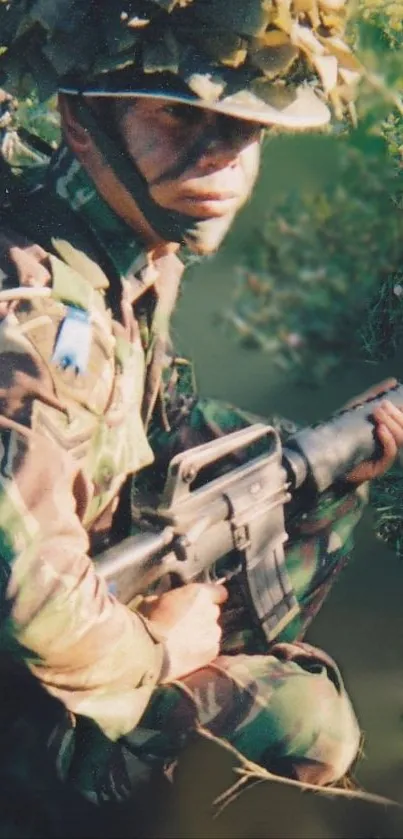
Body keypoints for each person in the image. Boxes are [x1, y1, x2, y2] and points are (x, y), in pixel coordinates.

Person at [0, 0, 402, 824]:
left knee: (298, 477)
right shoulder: (37, 327)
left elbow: (146, 418)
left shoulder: (117, 236)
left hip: (80, 578)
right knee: (313, 720)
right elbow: (30, 600)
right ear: (81, 123)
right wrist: (161, 648)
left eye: (244, 128)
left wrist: (325, 459)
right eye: (179, 116)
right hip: (23, 698)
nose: (220, 158)